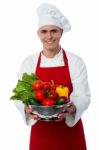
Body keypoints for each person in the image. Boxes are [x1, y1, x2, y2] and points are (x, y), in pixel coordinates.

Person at [14, 3, 91, 150]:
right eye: (44, 31)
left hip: (70, 132)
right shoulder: (29, 62)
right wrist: (26, 109)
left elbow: (83, 95)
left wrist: (73, 108)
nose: (49, 36)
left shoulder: (75, 61)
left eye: (54, 31)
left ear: (61, 32)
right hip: (40, 133)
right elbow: (20, 96)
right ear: (38, 34)